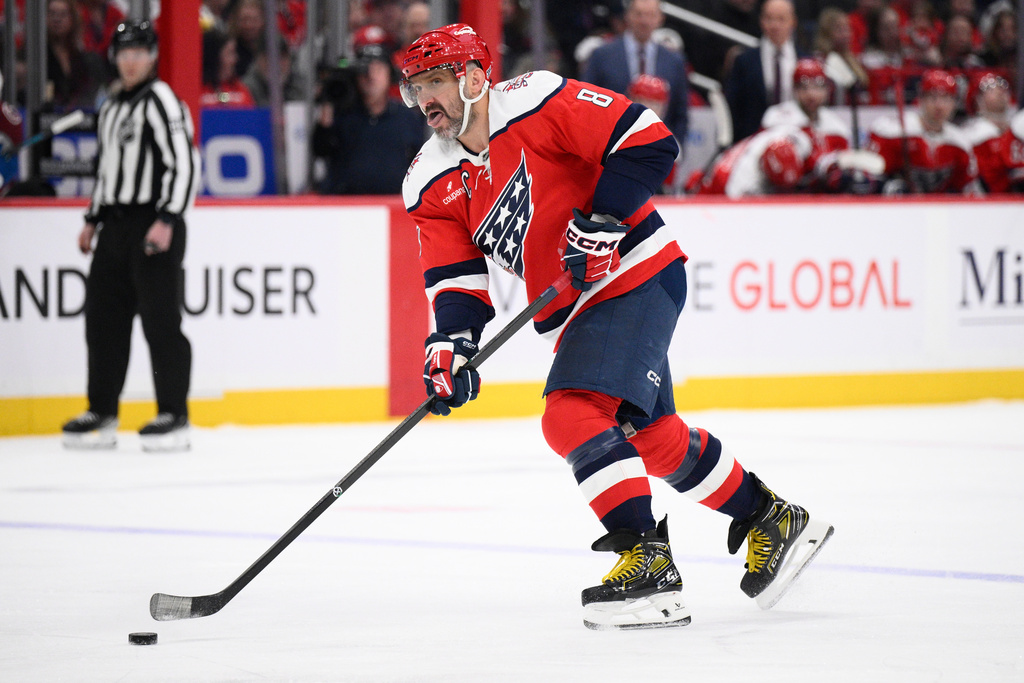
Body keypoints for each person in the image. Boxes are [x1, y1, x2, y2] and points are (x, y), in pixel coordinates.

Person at [400, 23, 833, 630]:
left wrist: (602, 220)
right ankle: (773, 519)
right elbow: (456, 282)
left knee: (572, 412)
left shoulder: (533, 99)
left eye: (437, 81)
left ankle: (647, 563)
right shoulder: (427, 178)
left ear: (474, 77)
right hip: (577, 307)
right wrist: (450, 344)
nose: (426, 99)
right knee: (652, 438)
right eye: (416, 87)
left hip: (635, 272)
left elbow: (649, 140)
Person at [61, 20, 200, 452]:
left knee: (161, 322)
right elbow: (107, 170)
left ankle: (173, 414)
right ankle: (102, 411)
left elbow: (184, 163)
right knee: (103, 321)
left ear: (153, 56)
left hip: (153, 224)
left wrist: (168, 217)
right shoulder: (113, 105)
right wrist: (92, 218)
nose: (130, 61)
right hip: (115, 227)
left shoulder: (161, 100)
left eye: (138, 52)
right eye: (123, 53)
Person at [581, 0, 689, 156]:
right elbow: (587, 104)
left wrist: (674, 150)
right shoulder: (602, 55)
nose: (644, 21)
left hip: (657, 154)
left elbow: (680, 112)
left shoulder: (674, 61)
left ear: (660, 18)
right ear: (628, 16)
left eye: (650, 15)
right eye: (639, 14)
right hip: (609, 152)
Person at [313, 44, 424, 194]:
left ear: (389, 75)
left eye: (378, 69)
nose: (371, 76)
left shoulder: (406, 117)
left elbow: (421, 162)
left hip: (394, 207)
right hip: (346, 206)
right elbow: (320, 149)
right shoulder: (341, 115)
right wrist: (328, 99)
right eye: (364, 69)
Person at [867, 68, 978, 194]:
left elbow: (965, 188)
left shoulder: (960, 143)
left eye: (946, 98)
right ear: (921, 99)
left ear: (954, 103)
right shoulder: (894, 131)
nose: (939, 106)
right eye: (933, 97)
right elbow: (871, 174)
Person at [724, 0, 803, 141]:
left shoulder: (804, 60)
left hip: (796, 139)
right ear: (761, 21)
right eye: (769, 18)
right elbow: (733, 109)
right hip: (754, 142)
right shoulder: (744, 61)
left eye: (781, 19)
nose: (775, 25)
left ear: (793, 22)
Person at [962, 72, 1016, 192]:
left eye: (1002, 86)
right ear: (977, 100)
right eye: (991, 88)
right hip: (984, 198)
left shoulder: (1017, 127)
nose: (1000, 91)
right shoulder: (973, 133)